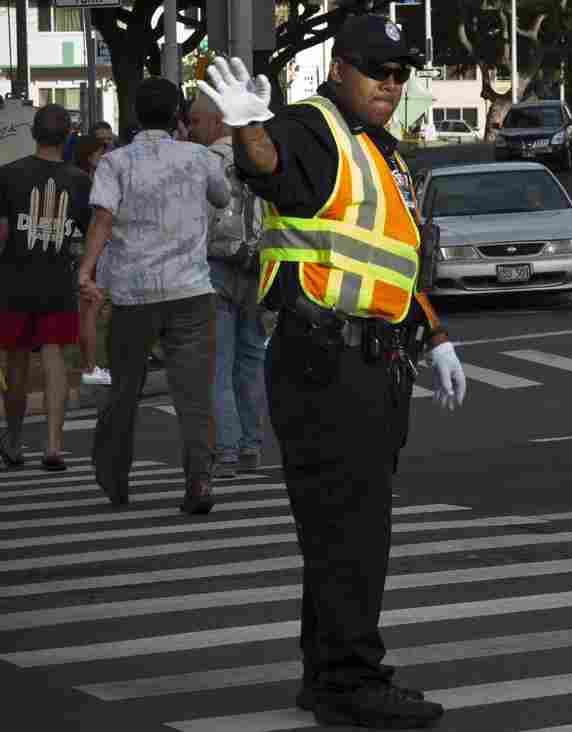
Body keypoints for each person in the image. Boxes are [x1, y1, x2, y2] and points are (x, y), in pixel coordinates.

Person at [197, 15, 466, 729]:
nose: (391, 84)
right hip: (328, 362)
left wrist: (435, 336)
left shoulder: (380, 149)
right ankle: (353, 680)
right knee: (352, 535)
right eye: (378, 70)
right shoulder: (312, 128)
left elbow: (392, 261)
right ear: (339, 68)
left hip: (371, 360)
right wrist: (248, 127)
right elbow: (271, 169)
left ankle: (326, 676)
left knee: (341, 531)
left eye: (401, 73)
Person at [77, 77, 231, 513]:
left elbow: (102, 219)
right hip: (191, 290)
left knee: (124, 390)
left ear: (134, 116)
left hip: (133, 293)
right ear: (178, 116)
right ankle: (200, 481)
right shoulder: (200, 157)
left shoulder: (115, 162)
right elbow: (221, 198)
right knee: (194, 394)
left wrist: (87, 270)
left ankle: (115, 478)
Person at [0, 105, 92, 472]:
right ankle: (54, 446)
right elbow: (88, 235)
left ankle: (14, 440)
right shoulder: (80, 181)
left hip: (14, 281)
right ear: (67, 136)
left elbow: (2, 234)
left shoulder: (8, 175)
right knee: (55, 359)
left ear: (33, 134)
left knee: (17, 360)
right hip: (58, 282)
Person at [187, 91, 267, 478]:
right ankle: (252, 444)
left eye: (195, 121)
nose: (190, 129)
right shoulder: (260, 159)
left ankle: (227, 450)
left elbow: (197, 222)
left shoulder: (205, 161)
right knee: (251, 361)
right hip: (257, 265)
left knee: (218, 364)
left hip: (216, 266)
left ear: (217, 121)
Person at [71, 135, 112, 386]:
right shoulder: (86, 181)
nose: (104, 156)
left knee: (89, 310)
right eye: (100, 152)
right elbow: (96, 221)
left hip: (86, 250)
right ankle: (90, 366)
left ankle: (89, 365)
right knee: (91, 309)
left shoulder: (81, 178)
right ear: (89, 155)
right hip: (93, 251)